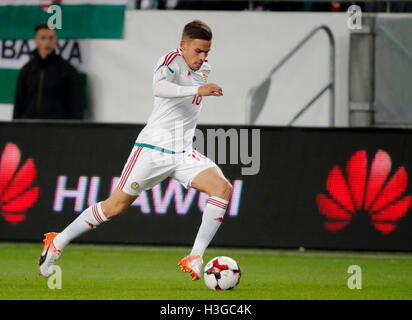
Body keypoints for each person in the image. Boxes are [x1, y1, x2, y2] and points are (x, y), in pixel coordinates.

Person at [38, 20, 232, 281]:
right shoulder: (170, 61)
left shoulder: (204, 69)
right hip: (152, 150)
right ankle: (57, 241)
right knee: (114, 207)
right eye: (198, 51)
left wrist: (200, 84)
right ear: (183, 45)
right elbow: (159, 89)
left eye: (206, 52)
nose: (202, 57)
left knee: (222, 188)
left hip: (183, 152)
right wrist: (198, 89)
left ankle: (195, 256)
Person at [13, 23, 85, 120]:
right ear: (36, 41)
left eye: (51, 38)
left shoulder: (67, 71)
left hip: (56, 129)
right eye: (43, 38)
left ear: (55, 41)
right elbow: (19, 104)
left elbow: (76, 106)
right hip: (29, 128)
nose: (47, 42)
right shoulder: (27, 70)